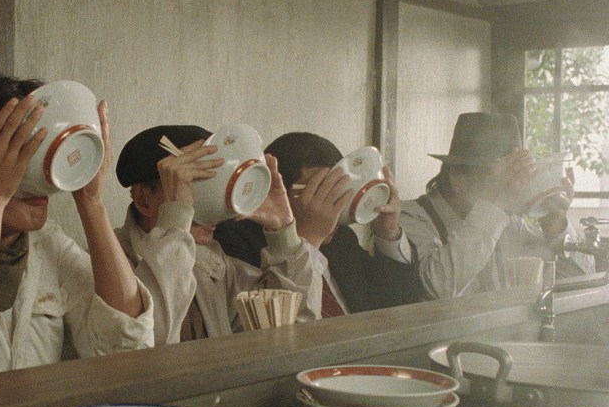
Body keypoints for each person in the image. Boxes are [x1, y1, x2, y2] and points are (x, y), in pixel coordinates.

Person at [0, 72, 153, 378]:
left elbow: (130, 348)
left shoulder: (48, 243)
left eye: (35, 148)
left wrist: (91, 201)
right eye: (12, 149)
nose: (33, 172)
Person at [114, 125, 320, 344]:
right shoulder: (107, 265)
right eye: (193, 188)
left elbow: (289, 334)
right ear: (143, 200)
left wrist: (283, 236)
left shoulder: (213, 265)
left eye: (215, 190)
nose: (215, 213)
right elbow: (144, 342)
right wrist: (176, 218)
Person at [215, 132, 420, 315]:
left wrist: (388, 233)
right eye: (321, 191)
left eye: (340, 192)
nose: (335, 207)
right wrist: (307, 240)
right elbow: (275, 327)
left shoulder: (342, 240)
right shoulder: (235, 240)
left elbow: (398, 310)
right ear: (277, 191)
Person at [400, 112, 590, 299]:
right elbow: (437, 288)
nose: (511, 188)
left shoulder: (508, 224)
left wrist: (554, 225)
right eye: (499, 178)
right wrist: (495, 203)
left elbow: (579, 281)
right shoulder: (409, 218)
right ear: (457, 177)